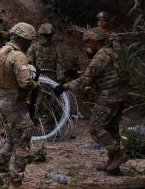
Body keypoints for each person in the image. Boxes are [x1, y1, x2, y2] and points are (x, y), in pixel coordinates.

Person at [53, 28, 130, 173]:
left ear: (96, 41)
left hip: (109, 96)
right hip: (118, 95)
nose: (87, 45)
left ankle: (118, 154)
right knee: (111, 129)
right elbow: (101, 74)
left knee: (96, 128)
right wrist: (76, 73)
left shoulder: (101, 56)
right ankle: (113, 162)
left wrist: (63, 87)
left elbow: (85, 81)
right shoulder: (112, 53)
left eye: (88, 41)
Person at [0, 23, 40, 189]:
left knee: (12, 139)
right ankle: (16, 184)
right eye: (28, 41)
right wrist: (36, 84)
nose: (29, 44)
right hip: (15, 104)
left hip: (2, 102)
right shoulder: (17, 56)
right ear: (23, 40)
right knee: (23, 140)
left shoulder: (1, 52)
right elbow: (25, 83)